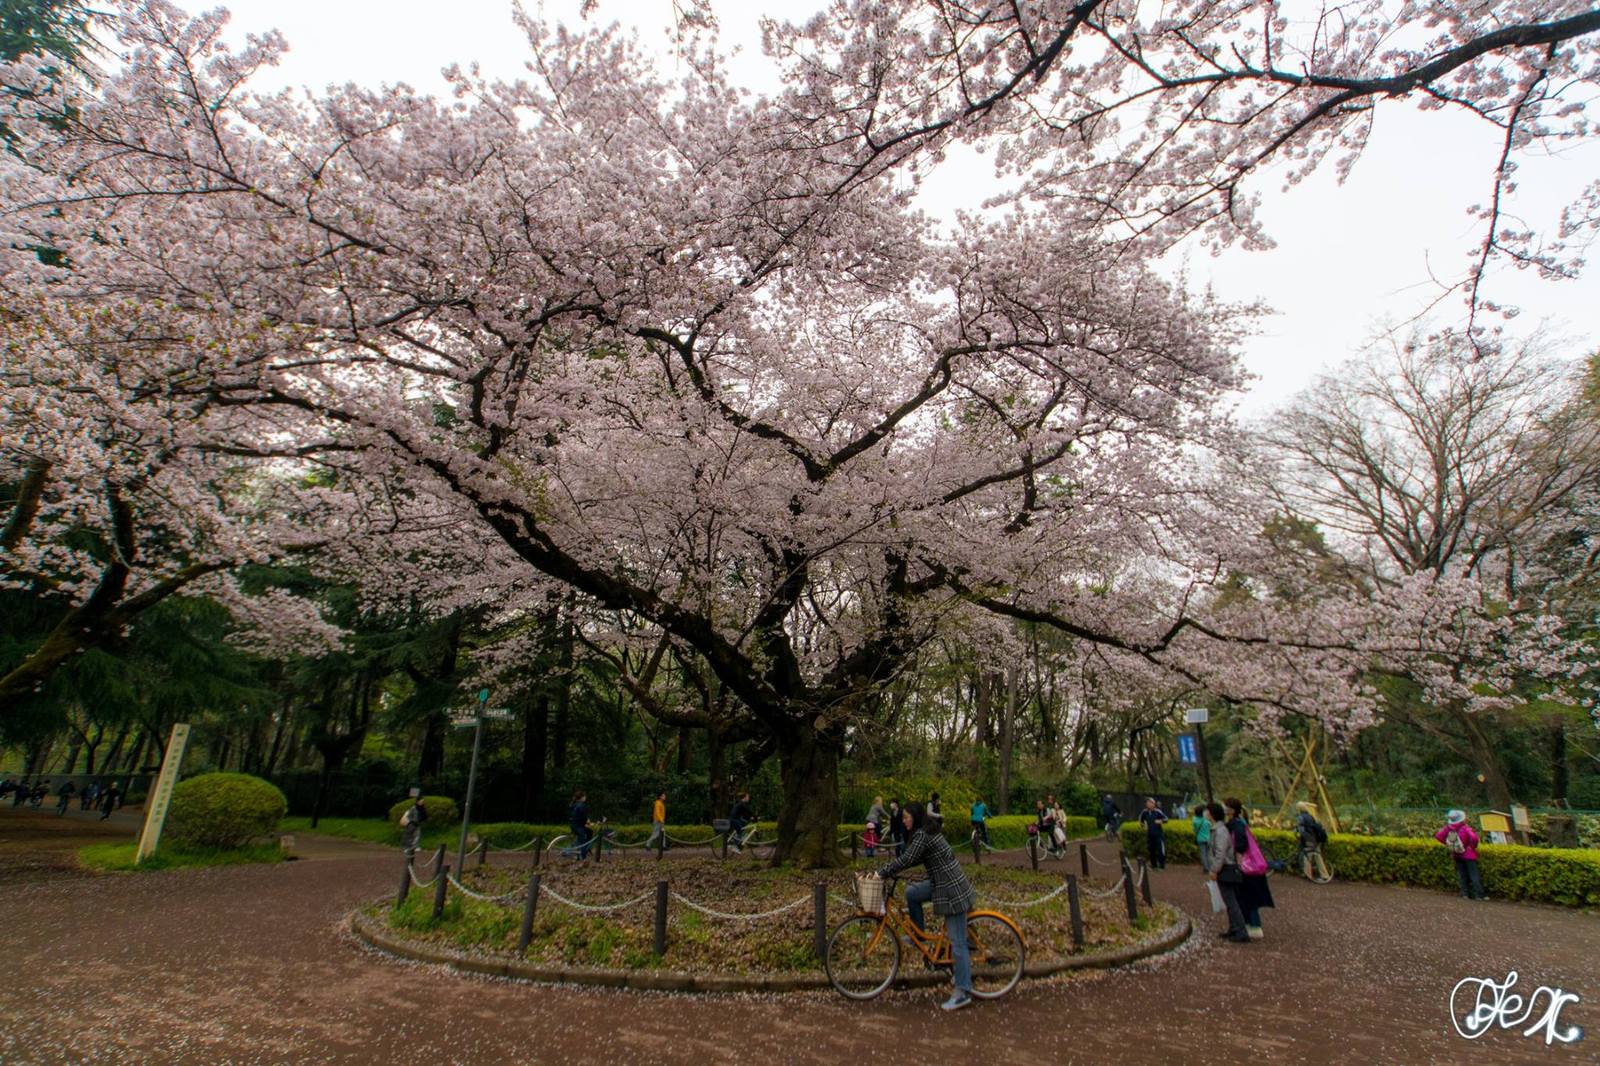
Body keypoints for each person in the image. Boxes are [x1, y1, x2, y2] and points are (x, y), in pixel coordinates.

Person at [875, 801, 979, 1012]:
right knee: (912, 893)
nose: (903, 821)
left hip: (950, 888)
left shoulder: (923, 834)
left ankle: (963, 991)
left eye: (905, 817)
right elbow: (913, 858)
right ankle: (919, 934)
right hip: (939, 883)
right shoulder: (925, 831)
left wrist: (882, 872)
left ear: (914, 816)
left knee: (957, 942)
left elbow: (908, 858)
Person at [1224, 797, 1274, 939]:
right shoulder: (1240, 822)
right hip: (1248, 866)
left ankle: (1254, 926)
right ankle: (1248, 924)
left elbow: (1241, 845)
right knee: (1245, 896)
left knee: (1247, 896)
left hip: (1246, 867)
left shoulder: (1237, 824)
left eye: (1226, 806)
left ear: (1232, 810)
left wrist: (1238, 862)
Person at [1205, 802, 1249, 942]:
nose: (1206, 813)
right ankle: (1234, 929)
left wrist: (1214, 870)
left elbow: (1220, 853)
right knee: (1229, 901)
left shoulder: (1220, 831)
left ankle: (1241, 932)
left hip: (1227, 869)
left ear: (1211, 814)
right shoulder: (1218, 829)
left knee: (1231, 902)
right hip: (1225, 869)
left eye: (1208, 811)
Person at [1436, 809, 1485, 900]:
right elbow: (1474, 838)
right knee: (1473, 874)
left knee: (1462, 874)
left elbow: (1438, 836)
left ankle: (1465, 893)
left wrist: (1448, 843)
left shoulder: (1448, 828)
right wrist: (1472, 846)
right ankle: (1478, 894)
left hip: (1456, 853)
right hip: (1469, 855)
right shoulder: (1465, 828)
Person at [1139, 797, 1168, 869]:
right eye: (1147, 802)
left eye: (1150, 802)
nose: (1148, 804)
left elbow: (1166, 819)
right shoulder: (1144, 812)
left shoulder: (1158, 812)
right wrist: (1143, 826)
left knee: (1161, 850)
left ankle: (1162, 865)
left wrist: (1160, 821)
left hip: (1159, 835)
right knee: (1151, 850)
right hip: (1150, 835)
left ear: (1153, 804)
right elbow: (1141, 820)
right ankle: (1153, 865)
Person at [569, 790, 593, 859]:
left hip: (574, 825)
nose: (585, 797)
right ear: (582, 797)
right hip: (578, 827)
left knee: (590, 831)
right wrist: (589, 823)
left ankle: (585, 850)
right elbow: (584, 817)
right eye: (584, 796)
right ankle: (584, 857)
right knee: (583, 840)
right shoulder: (581, 805)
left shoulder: (573, 804)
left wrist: (587, 822)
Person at [1192, 801, 1212, 872]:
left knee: (1203, 854)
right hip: (1208, 839)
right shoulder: (1207, 821)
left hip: (1200, 839)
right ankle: (1209, 867)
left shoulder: (1194, 820)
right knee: (1209, 854)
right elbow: (1211, 829)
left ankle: (1205, 868)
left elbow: (1194, 830)